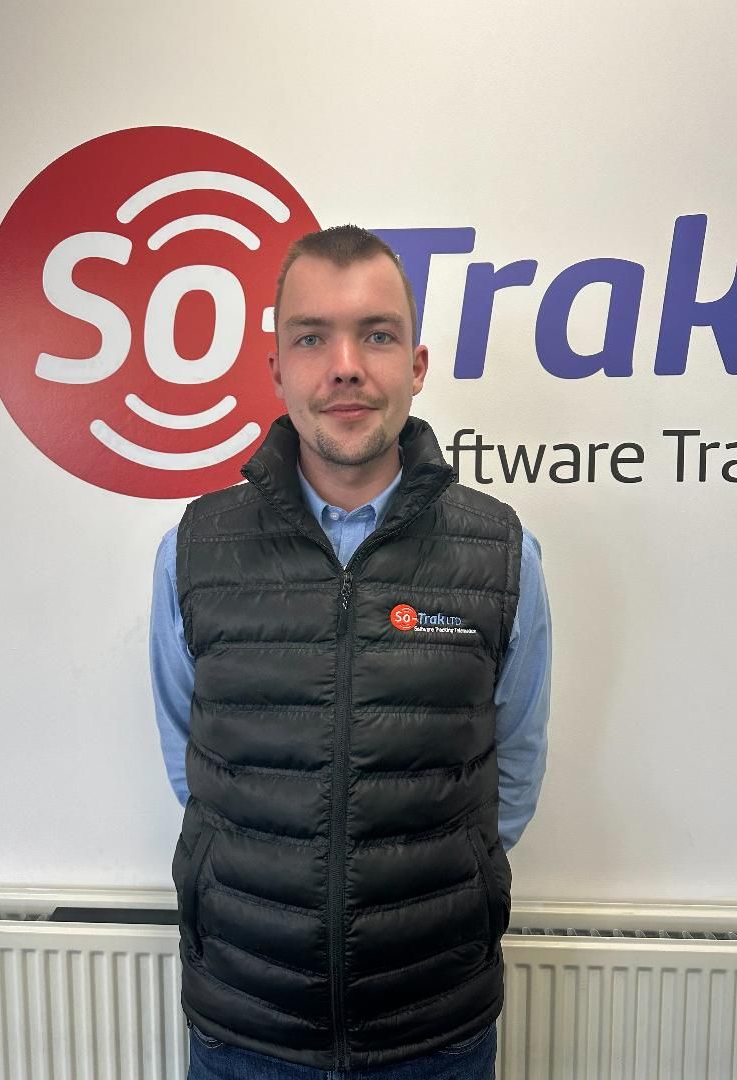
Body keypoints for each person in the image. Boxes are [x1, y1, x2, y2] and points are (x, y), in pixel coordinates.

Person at [150, 225, 551, 1079]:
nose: (344, 366)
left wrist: (461, 878)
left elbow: (512, 767)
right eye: (311, 338)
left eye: (377, 335)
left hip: (434, 1028)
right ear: (277, 369)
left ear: (417, 364)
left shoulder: (502, 552)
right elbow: (193, 762)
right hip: (246, 1026)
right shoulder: (194, 549)